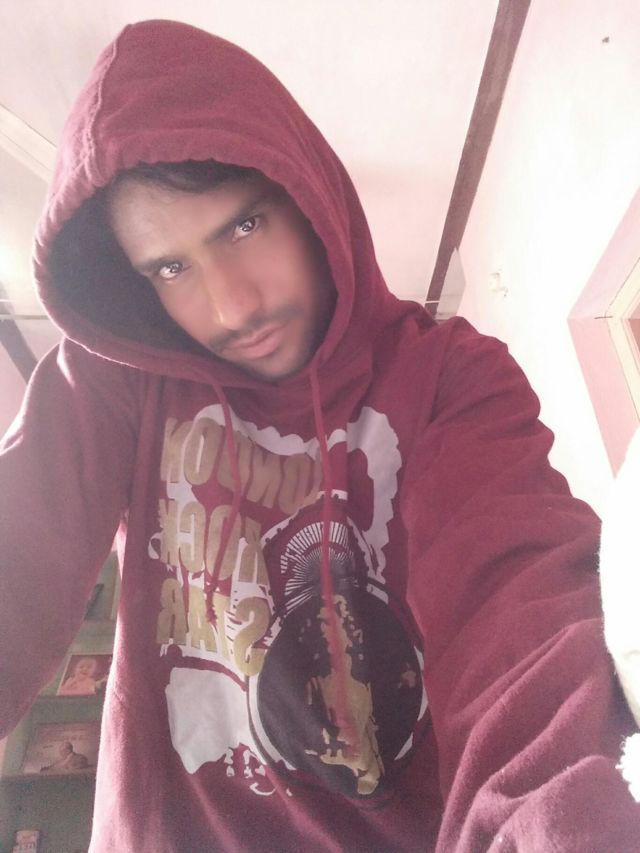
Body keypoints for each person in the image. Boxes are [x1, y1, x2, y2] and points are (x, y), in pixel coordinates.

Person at [0, 18, 638, 852]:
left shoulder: (451, 375)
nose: (232, 306)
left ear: (307, 196)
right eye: (171, 267)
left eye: (243, 226)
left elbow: (523, 626)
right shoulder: (114, 379)